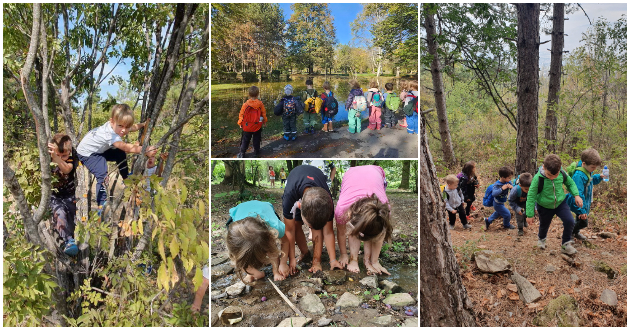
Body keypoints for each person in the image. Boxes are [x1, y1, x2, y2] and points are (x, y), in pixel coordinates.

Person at [77, 104, 158, 213]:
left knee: (120, 153)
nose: (124, 130)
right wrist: (146, 149)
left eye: (126, 127)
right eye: (120, 126)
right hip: (88, 154)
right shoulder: (110, 134)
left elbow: (132, 127)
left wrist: (143, 125)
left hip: (99, 150)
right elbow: (125, 147)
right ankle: (102, 204)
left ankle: (126, 178)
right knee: (102, 173)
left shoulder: (117, 127)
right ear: (112, 122)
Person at [281, 165, 342, 276]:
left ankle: (315, 259)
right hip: (295, 178)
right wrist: (292, 259)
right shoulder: (289, 199)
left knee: (317, 225)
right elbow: (289, 231)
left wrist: (330, 260)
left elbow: (328, 232)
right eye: (310, 226)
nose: (312, 229)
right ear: (299, 207)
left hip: (318, 181)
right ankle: (305, 253)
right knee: (296, 223)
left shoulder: (327, 203)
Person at [335, 165, 393, 275]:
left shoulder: (383, 210)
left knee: (374, 226)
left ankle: (369, 260)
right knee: (355, 228)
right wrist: (344, 254)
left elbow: (380, 233)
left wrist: (374, 261)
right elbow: (342, 232)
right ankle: (354, 259)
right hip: (351, 175)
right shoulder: (342, 209)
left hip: (376, 173)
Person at [526, 154, 583, 255]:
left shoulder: (562, 173)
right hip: (544, 206)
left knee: (570, 221)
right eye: (549, 175)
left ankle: (566, 244)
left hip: (560, 203)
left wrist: (576, 195)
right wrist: (529, 214)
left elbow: (570, 183)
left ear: (560, 168)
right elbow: (531, 196)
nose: (552, 178)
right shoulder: (538, 178)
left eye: (555, 175)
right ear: (543, 167)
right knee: (544, 224)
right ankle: (542, 239)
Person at [226, 200, 288, 283]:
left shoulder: (275, 227)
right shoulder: (235, 237)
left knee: (271, 248)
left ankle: (275, 271)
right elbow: (238, 259)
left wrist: (283, 263)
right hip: (240, 212)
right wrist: (255, 273)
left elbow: (285, 242)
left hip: (265, 209)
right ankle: (250, 274)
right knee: (242, 254)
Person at [48, 133, 79, 256]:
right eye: (58, 155)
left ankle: (74, 237)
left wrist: (57, 158)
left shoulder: (70, 159)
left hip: (70, 195)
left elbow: (67, 169)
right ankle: (68, 241)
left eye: (64, 155)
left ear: (70, 152)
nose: (61, 157)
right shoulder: (49, 158)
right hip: (55, 196)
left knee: (72, 216)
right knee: (60, 214)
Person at [565, 148, 606, 241]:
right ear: (584, 163)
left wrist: (599, 177)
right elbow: (578, 194)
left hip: (584, 202)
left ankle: (575, 232)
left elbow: (590, 182)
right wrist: (581, 210)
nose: (594, 169)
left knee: (579, 219)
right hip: (578, 202)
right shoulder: (579, 176)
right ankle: (569, 233)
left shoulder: (588, 171)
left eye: (595, 167)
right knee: (584, 222)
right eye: (593, 167)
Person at [237, 86, 267, 158]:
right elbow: (263, 113)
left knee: (245, 140)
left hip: (247, 126)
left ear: (249, 95)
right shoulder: (260, 104)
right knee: (256, 139)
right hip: (257, 126)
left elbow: (241, 114)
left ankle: (242, 153)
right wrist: (264, 121)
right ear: (258, 94)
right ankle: (256, 152)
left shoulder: (245, 105)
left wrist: (240, 123)